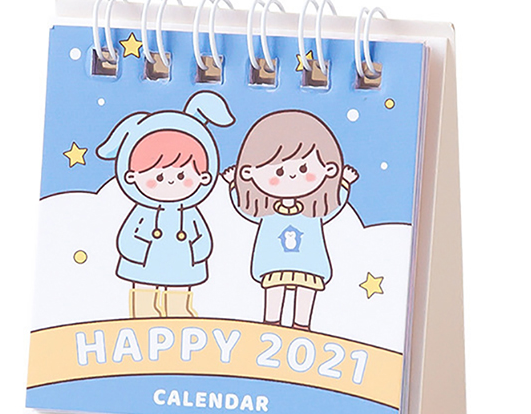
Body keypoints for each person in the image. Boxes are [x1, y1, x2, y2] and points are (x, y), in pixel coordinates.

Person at [97, 90, 234, 318]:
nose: (170, 181)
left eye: (181, 175)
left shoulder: (189, 212)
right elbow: (128, 234)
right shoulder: (143, 211)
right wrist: (135, 252)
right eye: (159, 176)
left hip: (182, 261)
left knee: (178, 295)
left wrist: (199, 251)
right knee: (144, 295)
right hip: (145, 261)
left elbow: (201, 234)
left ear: (204, 177)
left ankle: (179, 311)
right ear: (131, 176)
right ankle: (143, 314)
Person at [222, 110, 359, 331]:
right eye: (279, 171)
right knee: (274, 291)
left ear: (328, 169)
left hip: (309, 263)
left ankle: (302, 325)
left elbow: (334, 207)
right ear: (249, 173)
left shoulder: (313, 212)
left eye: (304, 168)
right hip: (273, 263)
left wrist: (343, 184)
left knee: (306, 292)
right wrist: (232, 185)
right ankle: (271, 323)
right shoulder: (267, 213)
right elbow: (244, 210)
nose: (293, 175)